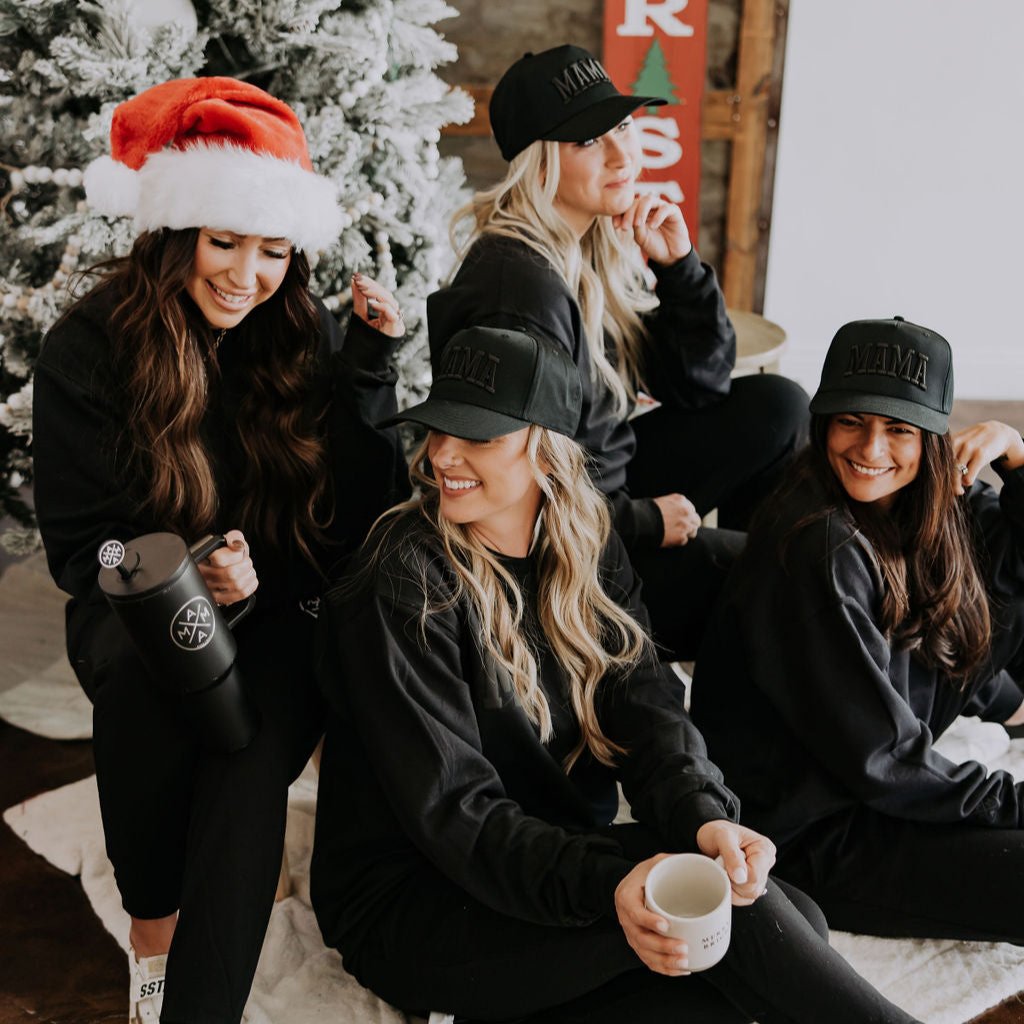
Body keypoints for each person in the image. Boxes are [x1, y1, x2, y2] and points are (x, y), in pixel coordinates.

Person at [310, 325, 920, 1024]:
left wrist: (703, 819)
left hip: (538, 848)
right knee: (752, 938)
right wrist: (611, 885)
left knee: (778, 917)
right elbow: (457, 814)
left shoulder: (583, 537)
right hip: (416, 900)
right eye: (439, 428)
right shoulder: (402, 580)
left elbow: (646, 699)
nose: (442, 455)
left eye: (478, 436)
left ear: (548, 448)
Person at [31, 77, 408, 1024]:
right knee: (158, 677)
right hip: (141, 608)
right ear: (175, 235)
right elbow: (83, 549)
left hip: (281, 612)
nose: (247, 273)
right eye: (224, 241)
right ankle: (153, 922)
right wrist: (187, 573)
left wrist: (365, 370)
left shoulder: (297, 332)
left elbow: (361, 514)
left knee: (242, 761)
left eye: (273, 249)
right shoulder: (92, 348)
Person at [427, 44, 808, 659]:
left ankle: (755, 634)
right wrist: (646, 522)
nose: (622, 154)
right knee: (778, 573)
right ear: (540, 163)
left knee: (777, 407)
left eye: (623, 126)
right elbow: (518, 489)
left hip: (604, 487)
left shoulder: (584, 246)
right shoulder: (519, 293)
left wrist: (680, 269)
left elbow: (699, 385)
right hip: (569, 560)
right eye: (587, 141)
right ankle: (759, 634)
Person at [690, 315, 1024, 944]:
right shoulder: (818, 544)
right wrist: (1011, 803)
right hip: (809, 828)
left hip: (874, 774)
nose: (870, 451)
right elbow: (884, 761)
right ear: (824, 424)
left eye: (897, 429)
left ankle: (1009, 706)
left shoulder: (926, 497)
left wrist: (1015, 454)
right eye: (851, 422)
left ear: (932, 439)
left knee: (1006, 559)